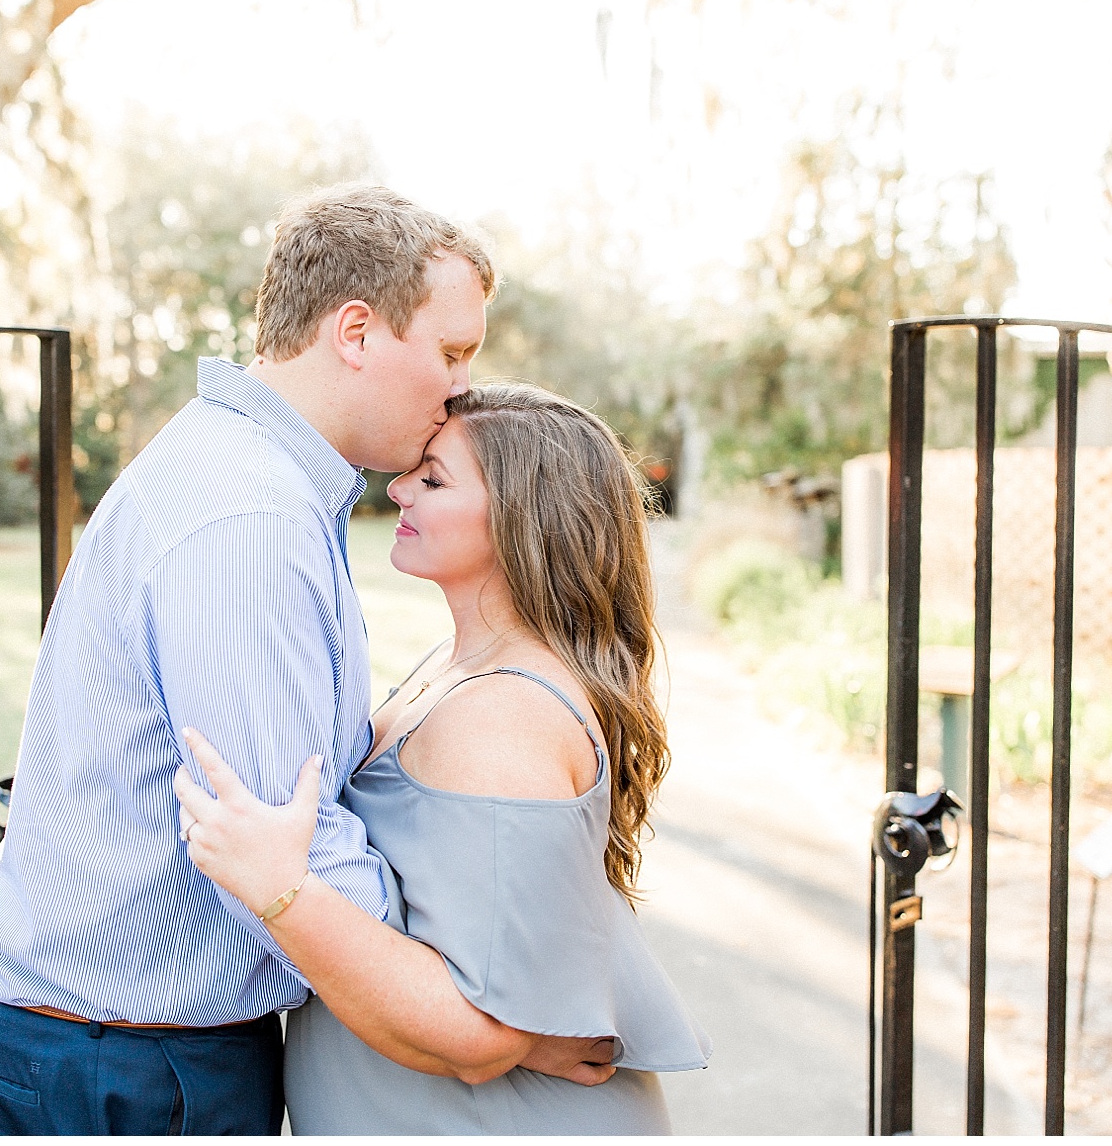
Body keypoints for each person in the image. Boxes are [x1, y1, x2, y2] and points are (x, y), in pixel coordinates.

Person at [0, 186, 613, 1136]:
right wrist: (486, 1018)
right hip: (123, 1069)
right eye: (452, 350)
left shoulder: (258, 482)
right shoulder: (248, 516)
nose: (462, 387)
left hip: (121, 1051)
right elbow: (288, 843)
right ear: (356, 330)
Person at [176, 381, 713, 1134]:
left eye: (433, 479)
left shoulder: (502, 717)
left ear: (525, 520)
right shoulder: (459, 664)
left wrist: (279, 888)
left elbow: (480, 1034)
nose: (396, 487)